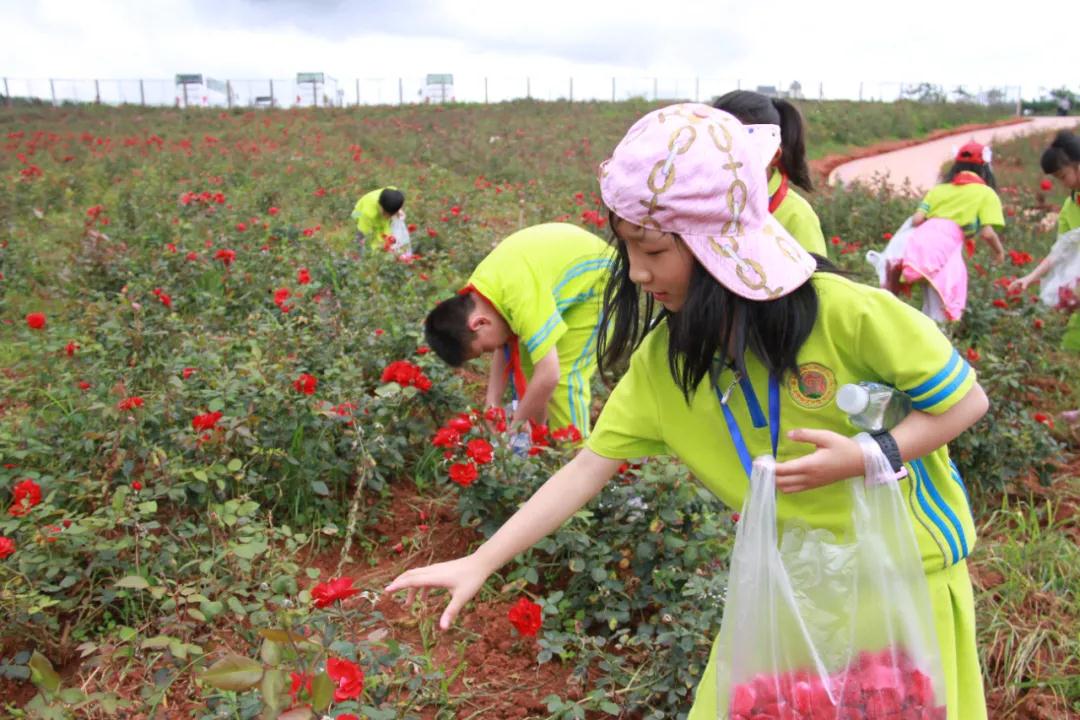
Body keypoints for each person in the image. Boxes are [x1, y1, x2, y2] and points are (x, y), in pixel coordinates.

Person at [389, 104, 990, 719]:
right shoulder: (665, 363)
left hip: (903, 584)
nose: (639, 273)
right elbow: (586, 468)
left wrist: (871, 454)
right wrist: (481, 560)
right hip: (784, 593)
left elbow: (966, 401)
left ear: (719, 243)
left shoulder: (845, 314)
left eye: (651, 249)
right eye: (628, 250)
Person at [424, 223, 612, 437]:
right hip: (563, 273)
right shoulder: (479, 296)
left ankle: (575, 457)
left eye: (485, 348)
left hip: (600, 278)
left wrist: (515, 427)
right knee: (530, 363)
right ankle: (538, 439)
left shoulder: (518, 296)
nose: (492, 349)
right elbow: (504, 347)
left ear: (478, 323)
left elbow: (549, 375)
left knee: (563, 378)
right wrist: (492, 402)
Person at [887, 142, 1006, 322]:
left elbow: (917, 219)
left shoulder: (938, 190)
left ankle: (922, 337)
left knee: (929, 297)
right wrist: (999, 252)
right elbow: (987, 233)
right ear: (984, 168)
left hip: (921, 240)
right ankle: (935, 343)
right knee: (943, 302)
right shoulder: (985, 193)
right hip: (947, 246)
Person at [712, 90, 828, 256]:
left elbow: (816, 280)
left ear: (773, 155)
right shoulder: (704, 202)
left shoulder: (797, 216)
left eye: (739, 151)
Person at [1009, 130, 1080, 352]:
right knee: (1071, 341)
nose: (1063, 183)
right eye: (1058, 178)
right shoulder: (1071, 207)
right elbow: (1061, 251)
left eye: (1063, 175)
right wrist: (1029, 278)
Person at [351, 186, 406, 252]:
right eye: (387, 214)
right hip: (358, 212)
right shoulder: (368, 214)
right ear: (381, 207)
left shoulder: (393, 192)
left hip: (374, 209)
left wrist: (398, 210)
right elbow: (362, 235)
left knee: (385, 235)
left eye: (392, 215)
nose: (389, 217)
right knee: (370, 242)